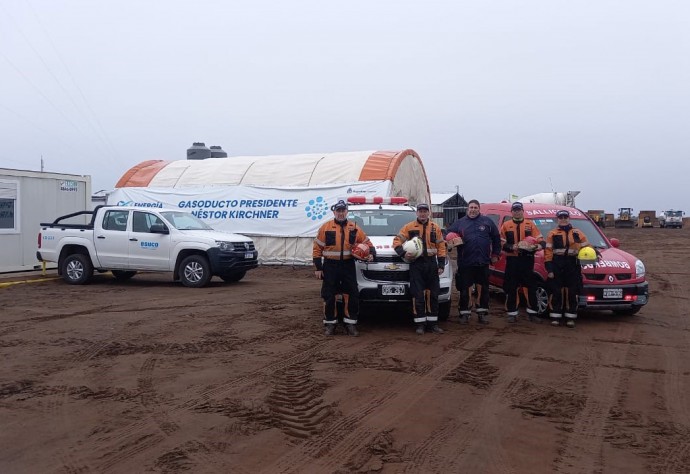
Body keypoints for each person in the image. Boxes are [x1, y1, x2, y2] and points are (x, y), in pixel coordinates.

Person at [313, 199, 375, 336]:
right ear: (334, 212)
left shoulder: (354, 228)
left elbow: (367, 243)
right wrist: (318, 267)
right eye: (338, 211)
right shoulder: (326, 227)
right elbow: (317, 248)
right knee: (329, 296)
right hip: (330, 266)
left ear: (347, 212)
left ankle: (350, 324)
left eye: (343, 211)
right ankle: (330, 324)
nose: (341, 213)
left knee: (351, 295)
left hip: (348, 265)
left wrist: (371, 253)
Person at [393, 203, 447, 335]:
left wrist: (440, 265)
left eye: (425, 211)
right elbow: (396, 241)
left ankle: (433, 324)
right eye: (420, 211)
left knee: (433, 295)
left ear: (428, 213)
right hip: (416, 264)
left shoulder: (435, 227)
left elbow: (441, 247)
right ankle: (420, 324)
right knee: (418, 295)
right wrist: (403, 253)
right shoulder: (409, 227)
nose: (422, 214)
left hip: (431, 264)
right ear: (416, 213)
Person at [446, 199, 501, 325]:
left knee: (483, 290)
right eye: (471, 207)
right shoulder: (460, 223)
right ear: (467, 209)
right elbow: (448, 234)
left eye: (476, 207)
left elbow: (496, 238)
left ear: (479, 209)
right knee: (465, 289)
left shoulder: (487, 222)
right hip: (466, 263)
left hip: (483, 262)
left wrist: (495, 254)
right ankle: (465, 313)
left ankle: (482, 313)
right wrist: (450, 240)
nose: (473, 209)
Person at [499, 202, 545, 323]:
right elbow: (501, 243)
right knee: (511, 287)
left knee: (530, 287)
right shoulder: (506, 225)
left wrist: (537, 247)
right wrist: (512, 247)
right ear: (511, 212)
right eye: (514, 210)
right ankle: (512, 313)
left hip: (527, 260)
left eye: (519, 209)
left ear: (522, 211)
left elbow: (541, 240)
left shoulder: (530, 224)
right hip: (512, 260)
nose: (517, 211)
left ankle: (532, 313)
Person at [544, 209, 590, 328]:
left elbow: (587, 247)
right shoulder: (552, 234)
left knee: (572, 291)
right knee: (556, 291)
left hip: (572, 264)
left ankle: (570, 317)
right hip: (557, 264)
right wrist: (549, 269)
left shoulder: (578, 233)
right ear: (557, 219)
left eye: (565, 217)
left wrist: (593, 253)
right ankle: (555, 316)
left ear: (569, 218)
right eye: (561, 217)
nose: (563, 219)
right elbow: (548, 252)